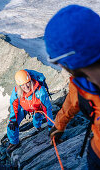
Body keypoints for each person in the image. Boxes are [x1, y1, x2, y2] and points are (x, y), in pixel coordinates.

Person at [44, 4, 100, 170]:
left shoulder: (82, 82)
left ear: (68, 62)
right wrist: (59, 125)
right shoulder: (81, 82)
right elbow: (72, 102)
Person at [7, 69, 53, 153]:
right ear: (19, 86)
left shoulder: (40, 91)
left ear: (30, 80)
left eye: (27, 83)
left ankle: (38, 127)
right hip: (24, 107)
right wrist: (12, 120)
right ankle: (14, 142)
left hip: (37, 107)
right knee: (12, 124)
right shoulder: (16, 92)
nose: (26, 87)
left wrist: (51, 128)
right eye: (22, 85)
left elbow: (47, 109)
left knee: (37, 117)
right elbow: (14, 106)